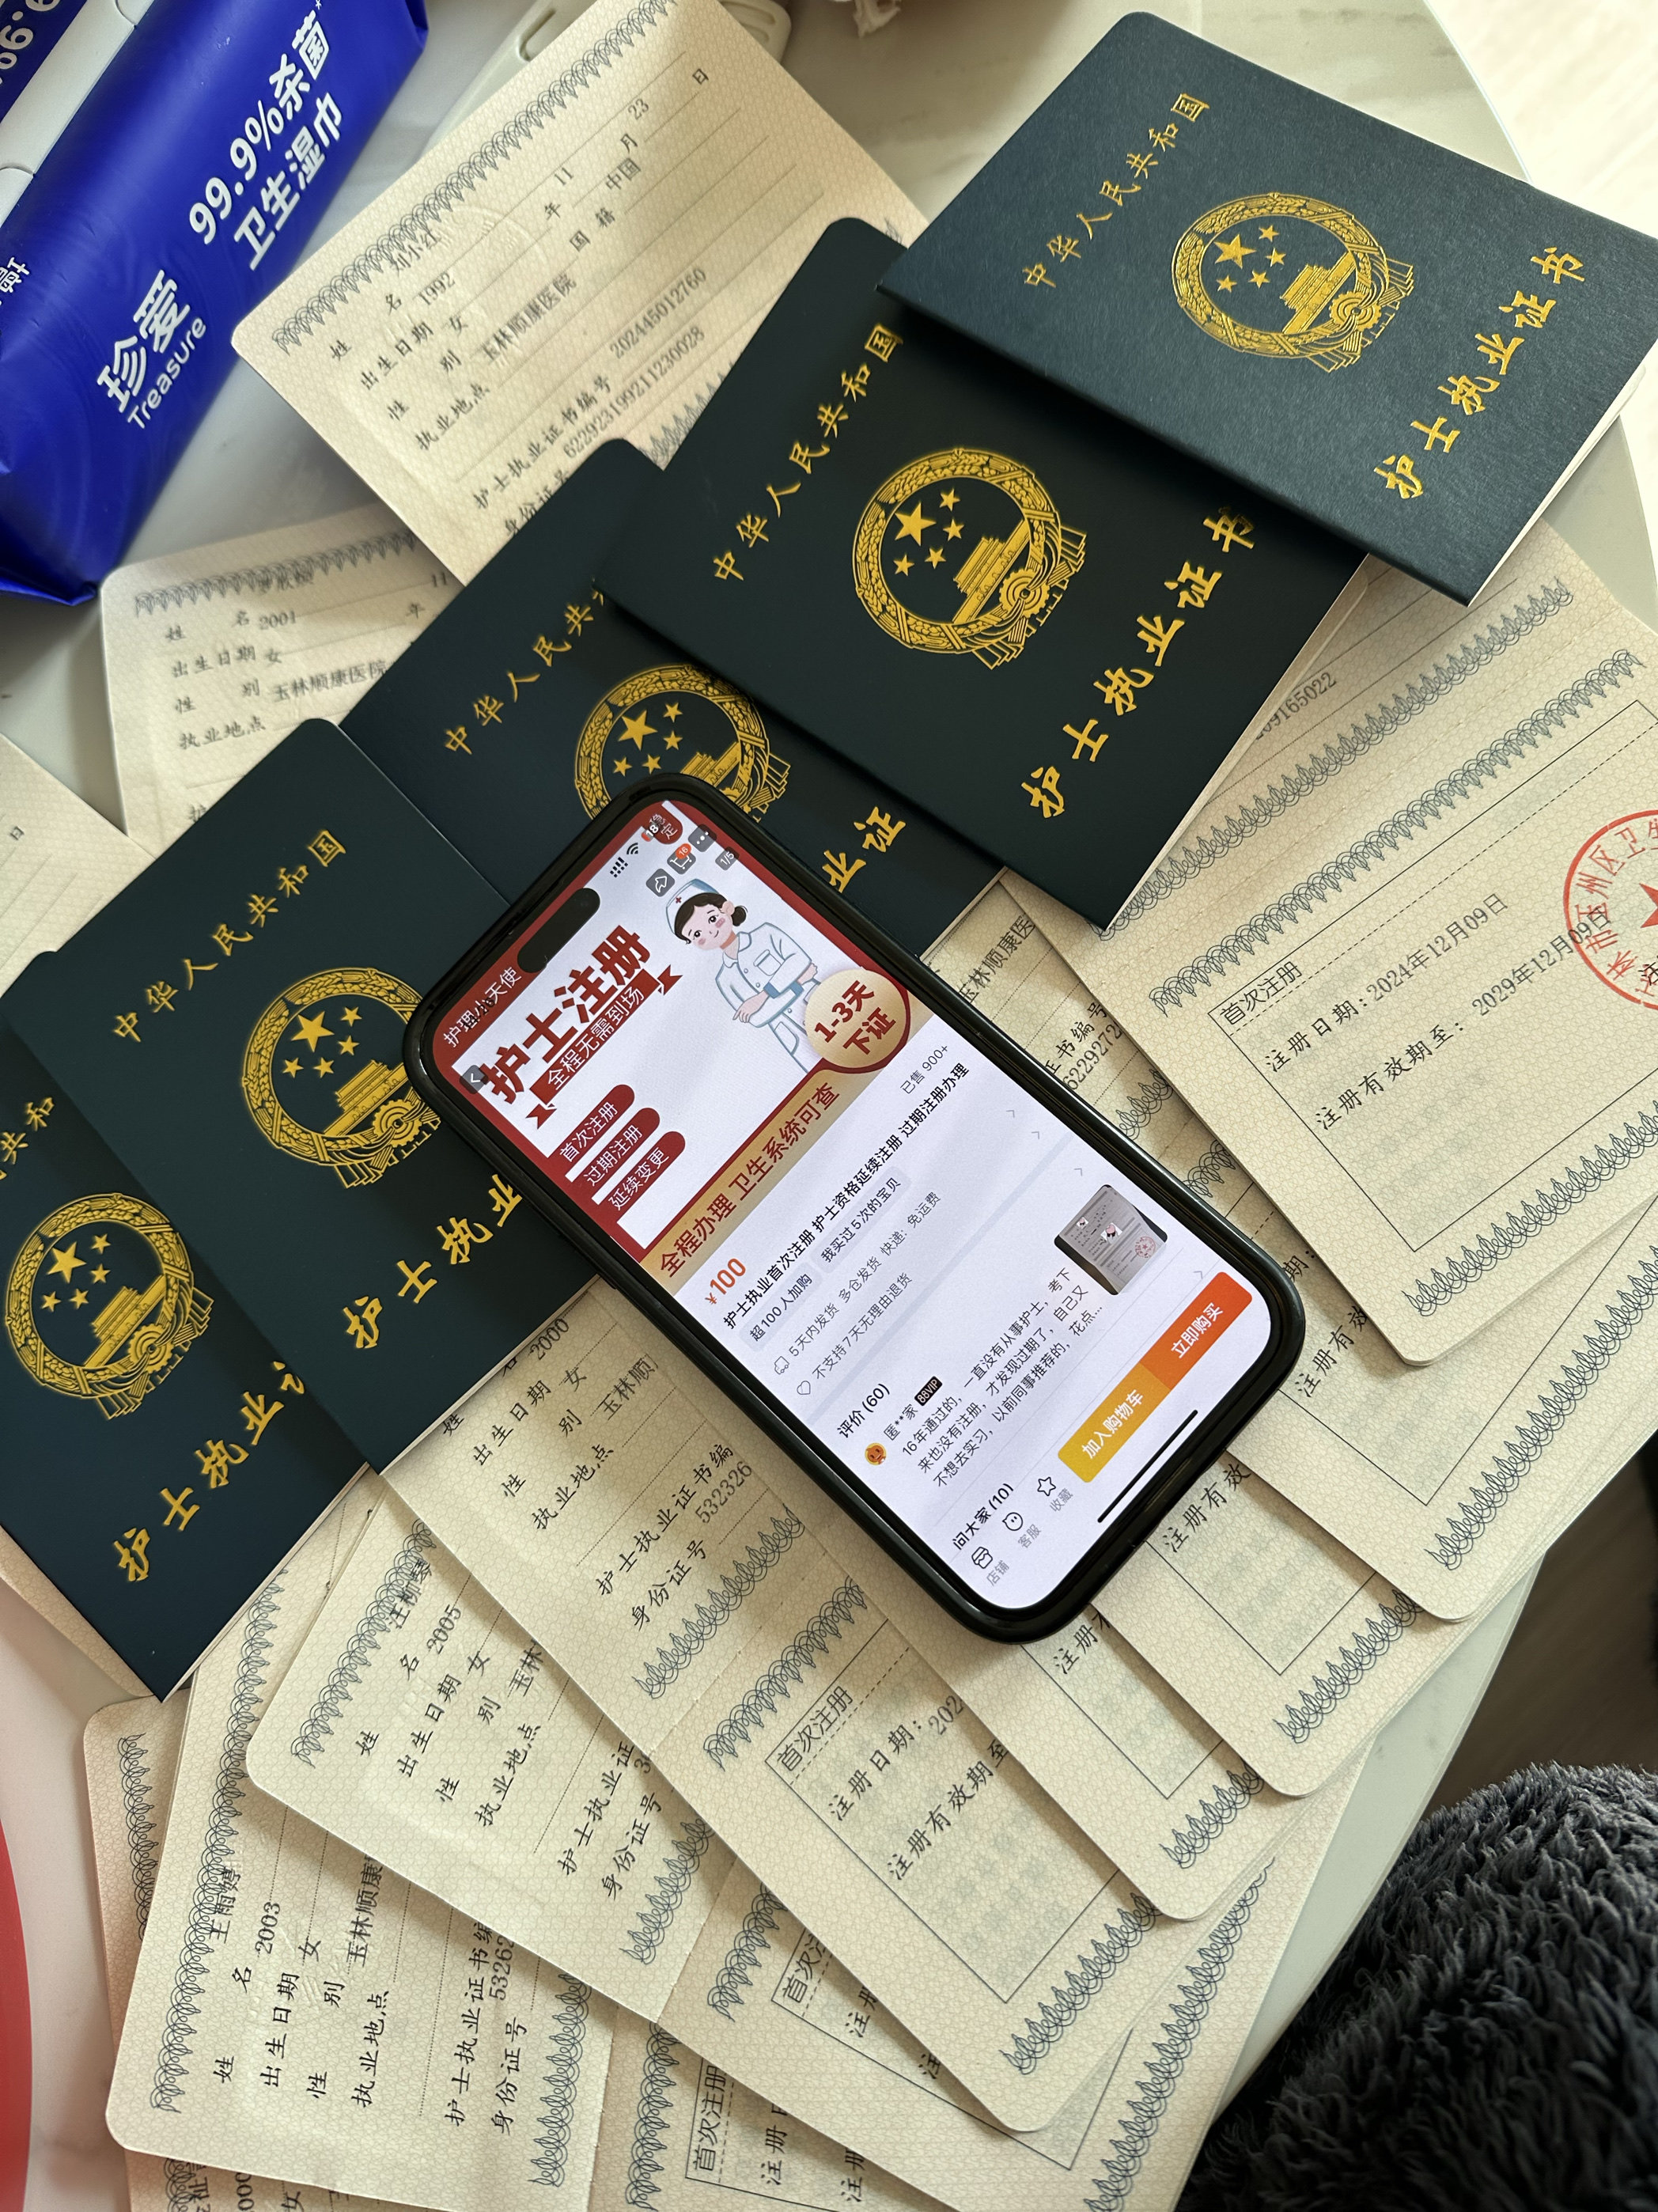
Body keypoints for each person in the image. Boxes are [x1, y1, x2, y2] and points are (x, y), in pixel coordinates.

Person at [671, 882, 820, 1076]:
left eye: (712, 918)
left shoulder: (765, 934)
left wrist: (762, 997)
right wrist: (797, 982)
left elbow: (799, 960)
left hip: (824, 1003)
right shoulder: (725, 979)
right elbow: (757, 1018)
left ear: (727, 908)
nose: (710, 932)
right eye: (696, 934)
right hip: (794, 1037)